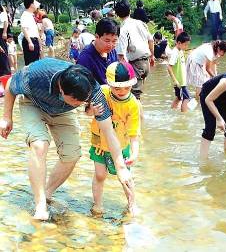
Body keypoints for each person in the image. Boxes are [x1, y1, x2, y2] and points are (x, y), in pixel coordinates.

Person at [0, 59, 133, 220]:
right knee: (39, 144)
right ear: (61, 89)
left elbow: (108, 131)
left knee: (72, 155)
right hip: (33, 104)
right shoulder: (36, 75)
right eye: (76, 101)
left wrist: (120, 168)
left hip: (63, 112)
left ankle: (46, 193)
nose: (81, 104)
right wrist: (7, 117)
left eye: (83, 101)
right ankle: (40, 205)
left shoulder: (94, 92)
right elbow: (10, 85)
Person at [89, 61, 140, 215]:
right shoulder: (102, 92)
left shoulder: (133, 104)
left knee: (124, 177)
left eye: (127, 87)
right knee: (99, 175)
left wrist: (134, 152)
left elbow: (134, 132)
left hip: (121, 145)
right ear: (109, 84)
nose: (122, 91)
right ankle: (97, 205)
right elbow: (87, 112)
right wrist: (91, 110)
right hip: (99, 143)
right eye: (117, 88)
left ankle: (132, 204)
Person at [115, 0, 155, 100]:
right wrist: (152, 56)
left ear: (117, 14)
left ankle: (137, 115)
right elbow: (151, 40)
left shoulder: (122, 29)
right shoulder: (140, 23)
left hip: (136, 64)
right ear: (130, 11)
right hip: (146, 63)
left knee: (133, 96)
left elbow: (121, 56)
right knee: (137, 94)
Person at [77, 18, 119, 85]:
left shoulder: (112, 51)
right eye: (107, 41)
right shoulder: (85, 58)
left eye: (114, 41)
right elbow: (82, 86)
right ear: (97, 36)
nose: (110, 45)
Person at [167, 32, 191, 112]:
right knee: (186, 98)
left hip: (181, 81)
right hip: (179, 82)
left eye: (188, 45)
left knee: (179, 97)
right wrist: (175, 80)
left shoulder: (180, 51)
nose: (187, 46)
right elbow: (169, 67)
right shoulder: (175, 52)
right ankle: (184, 116)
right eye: (185, 45)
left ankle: (172, 112)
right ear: (179, 43)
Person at [20, 0, 41, 66]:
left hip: (34, 40)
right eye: (34, 4)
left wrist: (39, 43)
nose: (36, 6)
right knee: (30, 64)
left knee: (36, 63)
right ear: (31, 5)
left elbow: (35, 31)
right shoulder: (25, 15)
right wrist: (30, 42)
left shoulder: (31, 15)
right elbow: (24, 29)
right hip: (30, 41)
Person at [0, 6, 10, 76]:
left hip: (1, 32)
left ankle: (5, 72)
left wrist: (4, 32)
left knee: (2, 53)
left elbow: (6, 22)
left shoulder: (2, 14)